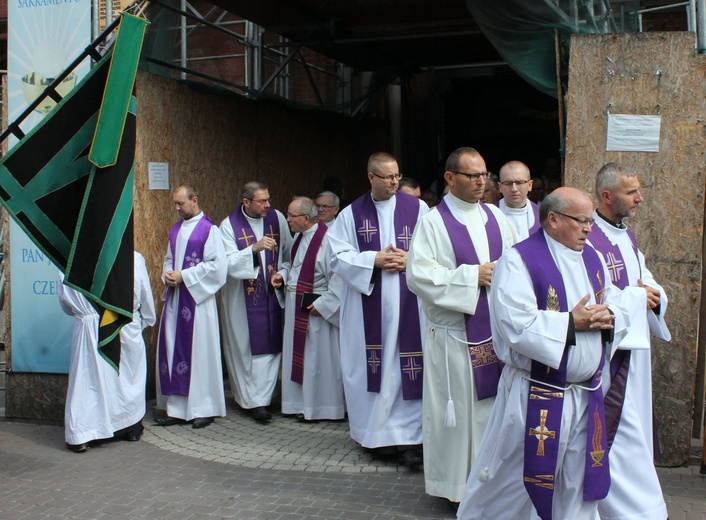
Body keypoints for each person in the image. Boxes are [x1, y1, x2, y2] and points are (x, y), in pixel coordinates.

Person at [457, 187, 629, 520]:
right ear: (553, 219)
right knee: (511, 482)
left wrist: (611, 317)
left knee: (578, 483)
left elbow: (614, 300)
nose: (588, 229)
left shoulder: (592, 257)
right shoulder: (519, 260)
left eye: (591, 221)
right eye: (581, 221)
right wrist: (569, 322)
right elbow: (514, 323)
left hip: (584, 397)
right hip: (536, 392)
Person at [407, 147, 518, 502]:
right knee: (458, 419)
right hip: (455, 337)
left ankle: (490, 486)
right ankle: (454, 489)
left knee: (491, 414)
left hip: (494, 336)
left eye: (484, 174)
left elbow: (516, 264)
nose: (481, 182)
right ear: (450, 178)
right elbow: (419, 275)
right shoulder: (433, 221)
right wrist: (472, 277)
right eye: (473, 175)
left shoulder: (497, 218)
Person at [327, 151, 428, 466]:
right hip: (368, 308)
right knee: (376, 369)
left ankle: (412, 440)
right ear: (371, 177)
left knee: (408, 370)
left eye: (397, 175)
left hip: (410, 305)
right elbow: (335, 257)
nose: (395, 181)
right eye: (387, 176)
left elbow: (436, 249)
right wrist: (373, 260)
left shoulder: (419, 208)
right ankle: (376, 435)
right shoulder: (351, 214)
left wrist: (410, 259)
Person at [588, 163, 670, 520]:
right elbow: (590, 296)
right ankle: (626, 507)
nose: (640, 198)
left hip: (634, 354)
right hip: (611, 356)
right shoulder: (588, 238)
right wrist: (637, 298)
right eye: (631, 192)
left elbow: (641, 276)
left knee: (633, 425)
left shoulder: (625, 233)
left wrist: (653, 293)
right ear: (607, 197)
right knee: (618, 430)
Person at [59, 252, 156, 452]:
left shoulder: (72, 258)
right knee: (123, 379)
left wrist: (89, 315)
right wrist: (140, 321)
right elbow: (145, 298)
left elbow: (65, 300)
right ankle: (129, 426)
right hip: (124, 325)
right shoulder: (133, 258)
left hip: (91, 327)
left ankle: (83, 433)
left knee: (88, 381)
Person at [219, 181, 292, 423]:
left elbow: (289, 255)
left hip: (271, 296)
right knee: (246, 348)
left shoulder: (277, 218)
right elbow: (226, 263)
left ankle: (265, 399)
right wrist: (253, 249)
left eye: (268, 199)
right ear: (246, 202)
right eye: (262, 201)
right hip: (242, 300)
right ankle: (248, 400)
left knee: (270, 348)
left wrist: (282, 274)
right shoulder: (229, 226)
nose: (267, 205)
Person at [155, 185, 227, 429]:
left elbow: (218, 267)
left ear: (194, 200)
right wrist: (167, 274)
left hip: (198, 304)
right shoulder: (175, 230)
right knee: (174, 351)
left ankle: (204, 408)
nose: (177, 208)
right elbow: (168, 259)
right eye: (175, 204)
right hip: (176, 302)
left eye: (180, 204)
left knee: (199, 353)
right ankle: (176, 409)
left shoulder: (210, 230)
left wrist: (184, 276)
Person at [271, 197, 345, 421]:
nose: (288, 219)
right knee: (299, 356)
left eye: (291, 215)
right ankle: (298, 404)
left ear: (305, 218)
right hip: (296, 307)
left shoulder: (329, 240)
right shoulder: (299, 237)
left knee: (317, 360)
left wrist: (324, 304)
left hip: (316, 309)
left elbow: (341, 276)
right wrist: (282, 276)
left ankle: (322, 407)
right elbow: (292, 266)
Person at [497, 160, 540, 240]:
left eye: (519, 182)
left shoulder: (542, 216)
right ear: (500, 187)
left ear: (530, 185)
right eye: (508, 183)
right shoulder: (489, 215)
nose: (514, 189)